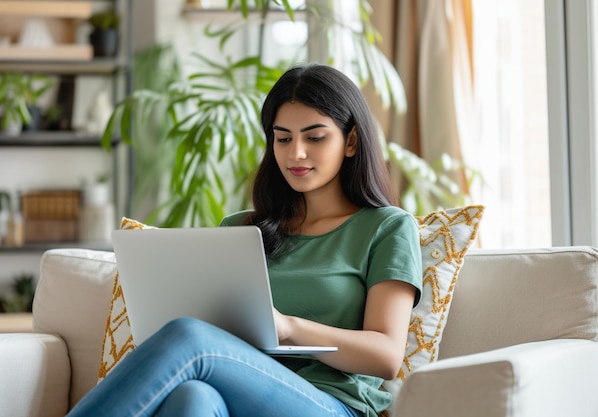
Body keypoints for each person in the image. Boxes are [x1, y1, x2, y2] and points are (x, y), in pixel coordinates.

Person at [67, 63, 422, 417]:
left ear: (351, 141)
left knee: (190, 337)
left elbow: (387, 356)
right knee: (191, 398)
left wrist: (289, 327)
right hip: (238, 395)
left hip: (329, 404)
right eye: (283, 138)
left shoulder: (386, 227)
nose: (295, 152)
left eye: (314, 137)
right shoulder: (241, 229)